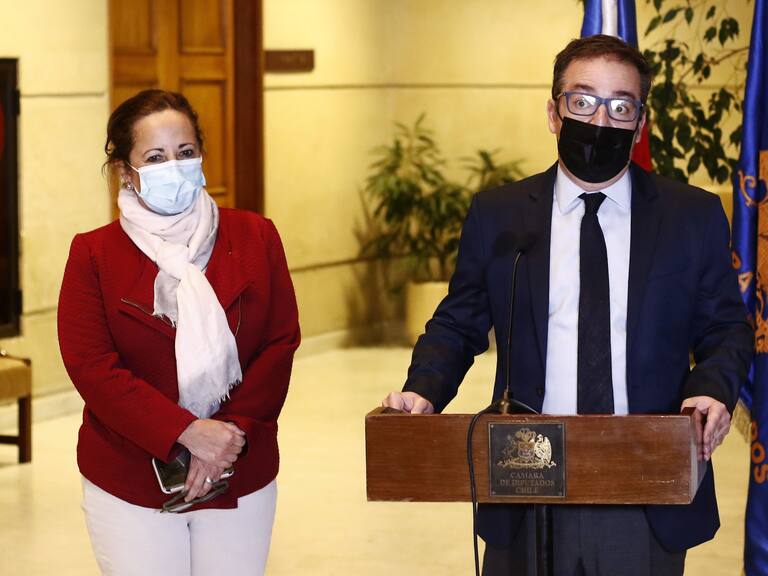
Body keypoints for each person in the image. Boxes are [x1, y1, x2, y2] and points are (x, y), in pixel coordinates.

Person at [382, 35, 753, 576]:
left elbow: (726, 328)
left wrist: (709, 392)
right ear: (554, 113)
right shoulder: (500, 214)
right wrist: (422, 391)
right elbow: (459, 323)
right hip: (525, 472)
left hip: (645, 480)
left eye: (620, 106)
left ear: (640, 122)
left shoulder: (690, 216)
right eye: (583, 101)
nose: (600, 120)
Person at [58, 89, 300, 576]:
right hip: (130, 474)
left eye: (185, 153)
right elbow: (93, 367)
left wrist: (228, 438)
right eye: (155, 157)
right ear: (126, 172)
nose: (175, 166)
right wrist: (186, 433)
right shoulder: (94, 255)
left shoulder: (256, 236)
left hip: (239, 467)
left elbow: (279, 342)